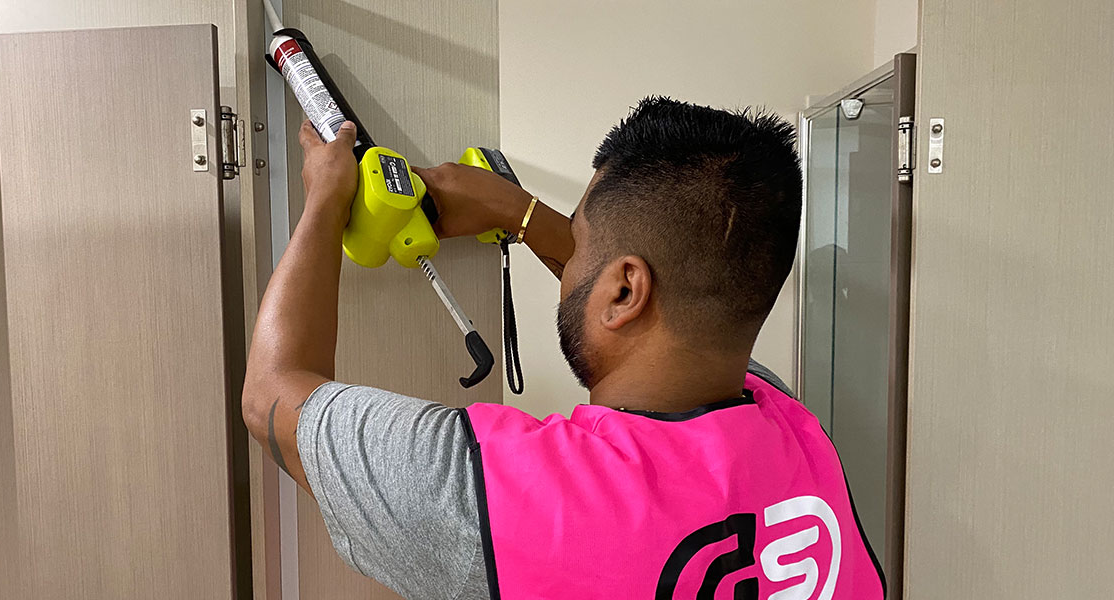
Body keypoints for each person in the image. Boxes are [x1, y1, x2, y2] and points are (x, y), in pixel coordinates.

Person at [241, 97, 885, 599]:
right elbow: (661, 317)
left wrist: (325, 198)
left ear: (626, 288)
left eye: (581, 245)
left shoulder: (501, 497)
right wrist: (518, 214)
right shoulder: (795, 432)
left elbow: (272, 393)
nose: (570, 261)